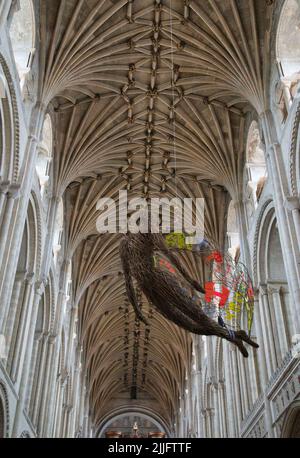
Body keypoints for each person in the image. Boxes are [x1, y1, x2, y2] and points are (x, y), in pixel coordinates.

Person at [120, 232, 258, 357]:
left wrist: (192, 282)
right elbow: (127, 280)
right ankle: (235, 336)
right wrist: (136, 309)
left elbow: (171, 257)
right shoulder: (124, 244)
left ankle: (235, 336)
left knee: (199, 317)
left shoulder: (148, 234)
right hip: (149, 291)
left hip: (160, 280)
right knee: (190, 326)